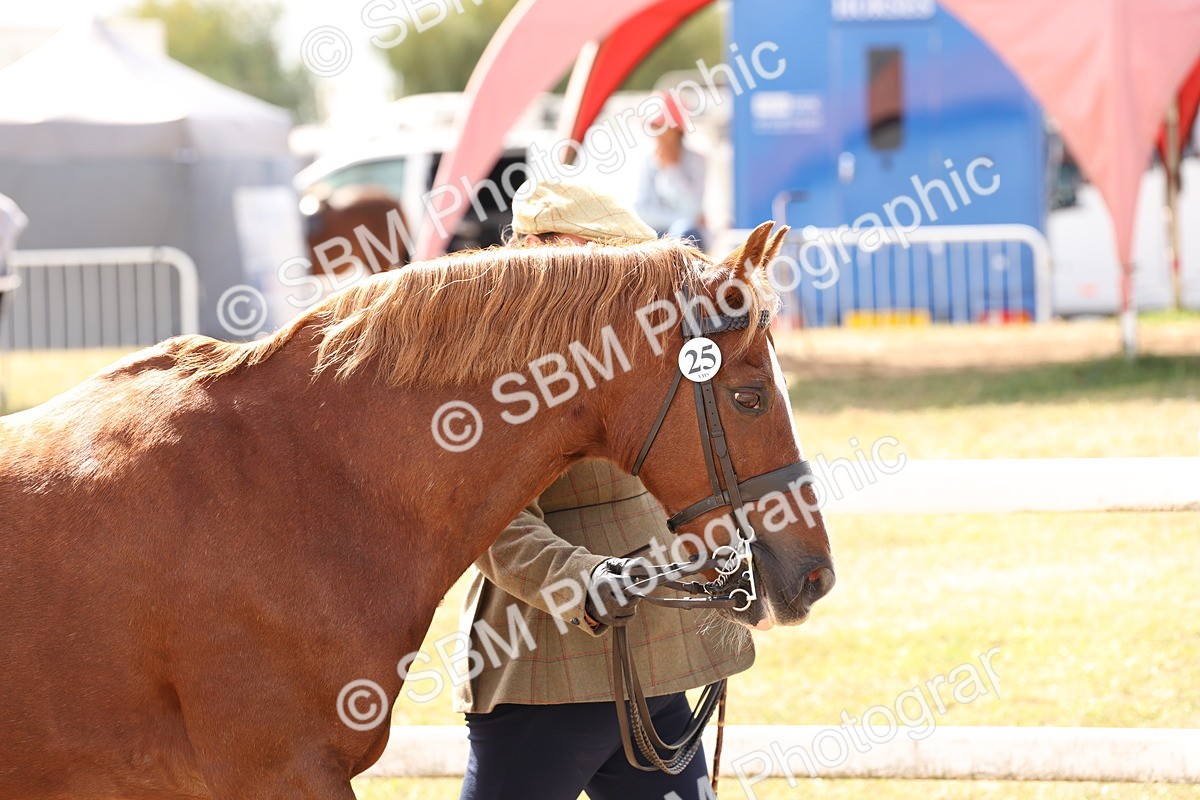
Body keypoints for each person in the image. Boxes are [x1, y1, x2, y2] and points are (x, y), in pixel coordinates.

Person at [454, 181, 753, 800]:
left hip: (656, 658)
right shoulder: (501, 371)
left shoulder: (637, 356)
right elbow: (491, 524)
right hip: (543, 673)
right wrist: (580, 580)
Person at [634, 92, 707, 248]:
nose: (658, 135)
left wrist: (672, 168)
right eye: (654, 127)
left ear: (676, 129)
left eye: (662, 127)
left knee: (685, 233)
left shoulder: (697, 161)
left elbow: (693, 208)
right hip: (657, 234)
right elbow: (641, 211)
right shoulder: (648, 162)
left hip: (684, 236)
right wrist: (682, 217)